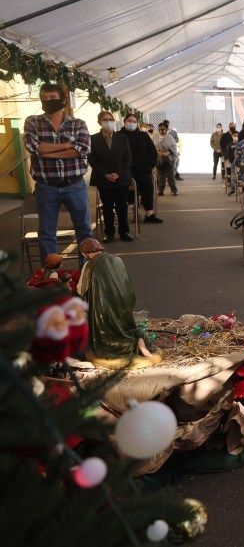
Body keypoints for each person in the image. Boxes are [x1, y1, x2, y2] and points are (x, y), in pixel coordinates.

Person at [23, 83, 93, 264]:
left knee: (84, 230)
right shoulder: (32, 121)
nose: (47, 102)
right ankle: (50, 277)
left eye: (52, 98)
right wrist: (68, 146)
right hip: (46, 188)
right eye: (44, 98)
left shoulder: (78, 124)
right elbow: (33, 146)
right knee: (46, 232)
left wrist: (47, 152)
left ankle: (85, 274)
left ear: (63, 100)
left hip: (75, 185)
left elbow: (83, 149)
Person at [77, 238, 159, 367]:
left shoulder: (89, 266)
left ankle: (134, 344)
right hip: (123, 307)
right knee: (126, 330)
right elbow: (127, 285)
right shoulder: (117, 260)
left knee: (103, 342)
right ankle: (140, 336)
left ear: (85, 253)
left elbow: (80, 290)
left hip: (104, 312)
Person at [89, 111, 133, 243]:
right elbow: (92, 160)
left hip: (121, 178)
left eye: (110, 119)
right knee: (107, 207)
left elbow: (128, 159)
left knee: (122, 207)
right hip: (103, 179)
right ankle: (109, 233)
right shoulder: (93, 139)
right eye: (105, 119)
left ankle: (124, 232)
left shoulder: (122, 138)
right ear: (99, 122)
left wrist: (118, 173)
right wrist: (105, 174)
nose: (108, 122)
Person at [120, 114, 161, 223]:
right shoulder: (118, 136)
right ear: (124, 122)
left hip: (143, 170)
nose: (132, 123)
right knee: (126, 192)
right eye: (129, 121)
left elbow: (153, 152)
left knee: (147, 188)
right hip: (125, 171)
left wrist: (149, 166)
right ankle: (132, 212)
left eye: (134, 121)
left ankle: (149, 215)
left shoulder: (143, 136)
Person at [155, 122, 178, 196]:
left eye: (164, 128)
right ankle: (161, 190)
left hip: (168, 160)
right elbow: (151, 146)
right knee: (160, 177)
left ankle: (174, 189)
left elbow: (174, 147)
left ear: (166, 129)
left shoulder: (170, 137)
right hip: (159, 160)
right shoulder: (155, 136)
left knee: (170, 176)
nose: (162, 130)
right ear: (158, 129)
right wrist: (159, 153)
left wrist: (167, 153)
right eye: (160, 128)